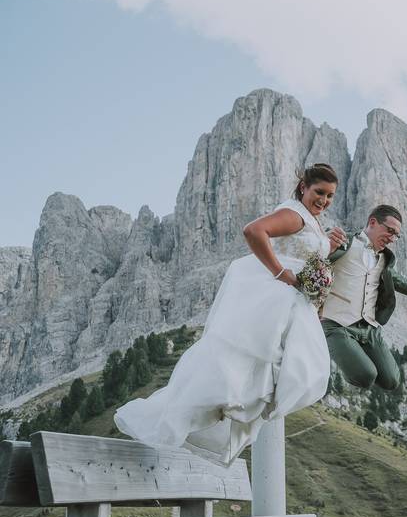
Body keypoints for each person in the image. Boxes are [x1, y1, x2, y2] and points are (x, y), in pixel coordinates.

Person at [115, 164, 348, 465]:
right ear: (303, 186)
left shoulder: (311, 220)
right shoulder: (294, 214)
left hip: (294, 304)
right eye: (319, 192)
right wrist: (279, 272)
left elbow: (302, 251)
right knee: (253, 367)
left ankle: (220, 417)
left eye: (330, 196)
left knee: (270, 371)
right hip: (276, 297)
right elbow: (254, 231)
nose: (324, 200)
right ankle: (189, 418)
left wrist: (328, 244)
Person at [321, 204, 407, 391]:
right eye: (389, 231)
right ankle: (339, 359)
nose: (392, 239)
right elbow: (314, 257)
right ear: (373, 222)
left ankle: (355, 358)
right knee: (366, 376)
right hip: (336, 324)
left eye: (396, 235)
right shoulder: (344, 241)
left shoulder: (384, 260)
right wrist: (324, 244)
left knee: (391, 381)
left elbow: (403, 283)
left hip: (368, 328)